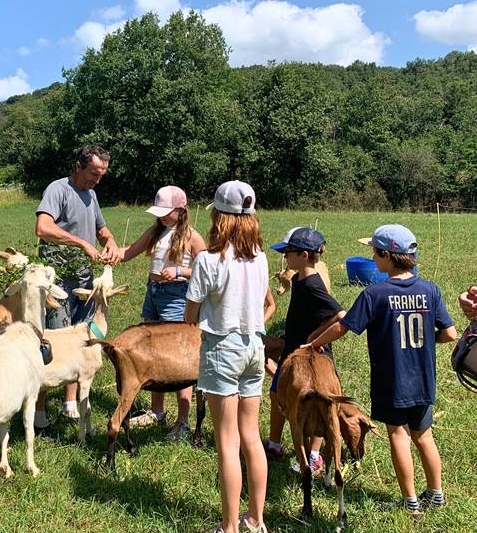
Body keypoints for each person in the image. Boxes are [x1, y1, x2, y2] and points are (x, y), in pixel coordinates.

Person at [302, 224, 457, 521]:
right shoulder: (430, 290)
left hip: (392, 381)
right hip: (423, 379)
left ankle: (411, 503)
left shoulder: (375, 294)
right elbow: (449, 334)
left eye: (374, 252)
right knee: (424, 436)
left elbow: (343, 327)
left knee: (399, 436)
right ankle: (436, 494)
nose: (372, 257)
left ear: (387, 255)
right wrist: (427, 335)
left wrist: (314, 342)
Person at [185, 181, 273, 533]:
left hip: (223, 348)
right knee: (251, 434)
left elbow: (190, 314)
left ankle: (229, 526)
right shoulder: (262, 257)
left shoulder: (208, 260)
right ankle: (256, 519)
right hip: (255, 347)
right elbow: (263, 302)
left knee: (227, 440)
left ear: (219, 217)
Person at [34, 144, 123, 439]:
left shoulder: (91, 194)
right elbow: (43, 227)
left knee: (82, 339)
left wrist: (107, 239)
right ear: (78, 166)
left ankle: (70, 405)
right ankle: (39, 416)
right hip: (58, 280)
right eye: (93, 174)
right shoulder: (57, 189)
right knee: (53, 343)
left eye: (101, 175)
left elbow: (101, 228)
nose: (97, 180)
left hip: (85, 280)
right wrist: (81, 243)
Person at [118, 186, 206, 440]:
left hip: (177, 297)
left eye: (168, 213)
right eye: (160, 213)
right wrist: (109, 253)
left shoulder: (192, 237)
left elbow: (206, 269)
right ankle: (156, 411)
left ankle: (183, 421)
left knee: (178, 358)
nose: (163, 217)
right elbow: (129, 252)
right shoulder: (156, 232)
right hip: (153, 294)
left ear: (182, 210)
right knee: (153, 354)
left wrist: (179, 272)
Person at [263, 227, 346, 476]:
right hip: (292, 352)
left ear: (305, 255)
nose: (285, 257)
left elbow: (339, 315)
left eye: (289, 253)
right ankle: (275, 446)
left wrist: (314, 338)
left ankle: (314, 456)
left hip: (312, 358)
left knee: (317, 406)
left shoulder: (311, 282)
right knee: (277, 396)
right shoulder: (299, 279)